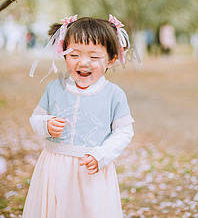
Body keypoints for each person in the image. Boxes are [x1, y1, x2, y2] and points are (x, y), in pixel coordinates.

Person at [23, 15, 134, 218]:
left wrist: (101, 155)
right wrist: (46, 125)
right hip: (54, 167)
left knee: (88, 210)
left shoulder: (114, 94)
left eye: (94, 57)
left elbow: (124, 131)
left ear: (111, 59)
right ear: (63, 54)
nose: (84, 63)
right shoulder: (54, 88)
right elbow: (35, 118)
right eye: (74, 55)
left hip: (91, 168)